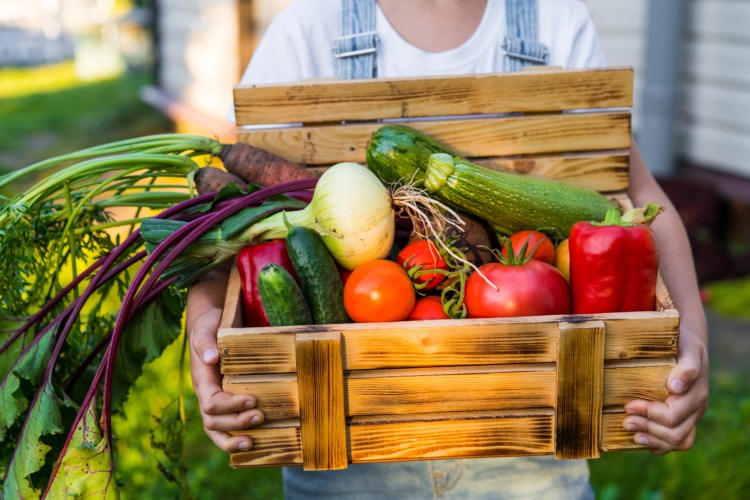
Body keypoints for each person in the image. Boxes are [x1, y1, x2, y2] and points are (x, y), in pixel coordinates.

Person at [187, 0, 709, 497]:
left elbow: (634, 196)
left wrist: (692, 339)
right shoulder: (309, 26)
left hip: (534, 431)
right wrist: (205, 315)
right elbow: (241, 212)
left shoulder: (553, 19)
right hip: (337, 432)